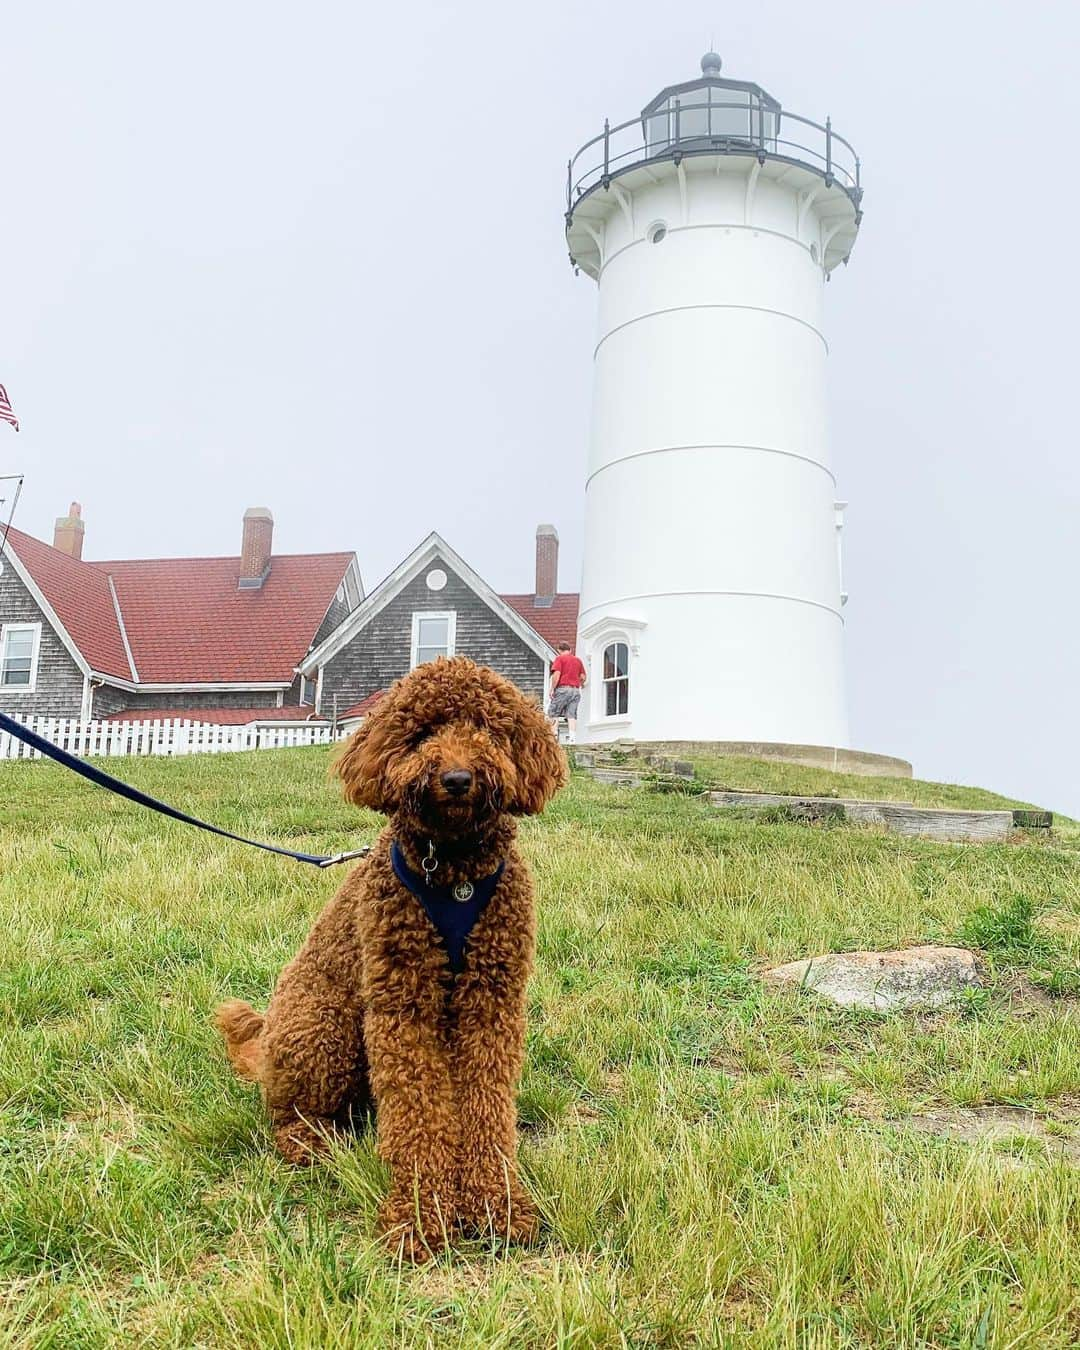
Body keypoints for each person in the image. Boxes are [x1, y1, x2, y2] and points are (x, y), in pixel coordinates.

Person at [547, 641, 586, 743]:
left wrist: (552, 689)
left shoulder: (559, 659)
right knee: (571, 714)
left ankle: (553, 737)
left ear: (559, 650)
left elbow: (556, 675)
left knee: (553, 712)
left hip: (563, 689)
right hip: (576, 690)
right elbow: (583, 677)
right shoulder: (578, 660)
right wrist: (579, 683)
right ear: (570, 650)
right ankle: (572, 739)